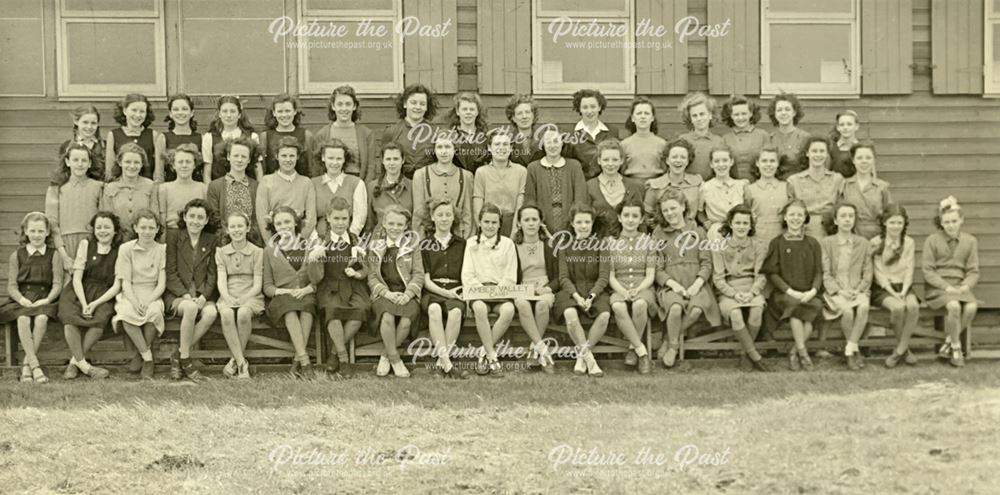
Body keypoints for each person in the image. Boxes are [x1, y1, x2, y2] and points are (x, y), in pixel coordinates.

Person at [651, 188, 722, 369]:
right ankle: (674, 345)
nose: (670, 213)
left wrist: (696, 284)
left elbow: (706, 263)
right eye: (666, 210)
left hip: (696, 282)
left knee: (697, 309)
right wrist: (673, 285)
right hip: (671, 283)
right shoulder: (658, 233)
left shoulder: (698, 231)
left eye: (673, 208)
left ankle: (669, 340)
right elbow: (657, 268)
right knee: (674, 308)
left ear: (683, 207)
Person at [308, 197, 370, 375]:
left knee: (361, 309)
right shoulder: (321, 241)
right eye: (336, 218)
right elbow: (314, 278)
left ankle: (334, 354)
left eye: (344, 219)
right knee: (332, 311)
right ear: (328, 218)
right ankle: (343, 359)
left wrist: (358, 271)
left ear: (349, 219)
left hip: (353, 285)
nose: (340, 223)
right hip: (330, 286)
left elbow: (367, 269)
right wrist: (315, 259)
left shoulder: (356, 240)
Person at [0, 212, 63, 383]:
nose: (37, 235)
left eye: (41, 231)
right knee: (23, 319)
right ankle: (35, 366)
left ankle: (28, 365)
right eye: (33, 231)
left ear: (48, 232)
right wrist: (21, 299)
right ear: (26, 232)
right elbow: (12, 286)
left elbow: (58, 284)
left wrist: (48, 300)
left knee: (42, 318)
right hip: (23, 297)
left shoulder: (54, 254)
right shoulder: (17, 255)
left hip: (45, 297)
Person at [58, 211, 122, 380]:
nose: (102, 231)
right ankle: (86, 367)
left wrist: (94, 304)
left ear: (115, 230)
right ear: (93, 230)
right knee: (70, 319)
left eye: (107, 227)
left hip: (104, 294)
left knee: (99, 321)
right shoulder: (86, 244)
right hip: (79, 290)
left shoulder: (121, 250)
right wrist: (85, 302)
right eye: (98, 227)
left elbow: (117, 285)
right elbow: (77, 278)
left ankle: (74, 363)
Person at [762, 200, 823, 371]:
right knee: (796, 309)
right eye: (792, 215)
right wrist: (790, 291)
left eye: (799, 215)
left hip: (808, 292)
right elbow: (772, 273)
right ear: (785, 218)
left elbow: (819, 271)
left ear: (805, 218)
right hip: (785, 294)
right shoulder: (777, 242)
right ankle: (803, 354)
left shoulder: (813, 243)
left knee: (812, 309)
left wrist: (813, 291)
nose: (795, 218)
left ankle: (795, 351)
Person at [553, 203, 612, 377]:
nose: (583, 226)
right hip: (571, 291)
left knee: (605, 315)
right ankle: (590, 361)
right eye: (579, 222)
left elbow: (603, 276)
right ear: (572, 223)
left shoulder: (601, 244)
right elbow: (563, 277)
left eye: (587, 222)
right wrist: (577, 297)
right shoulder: (564, 245)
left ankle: (581, 356)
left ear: (593, 222)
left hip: (595, 290)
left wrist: (593, 295)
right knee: (569, 313)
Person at [164, 199, 219, 381]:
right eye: (192, 216)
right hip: (178, 293)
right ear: (185, 217)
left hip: (202, 293)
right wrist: (186, 295)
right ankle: (186, 360)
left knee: (210, 313)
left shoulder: (211, 240)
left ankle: (178, 355)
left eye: (200, 217)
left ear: (206, 220)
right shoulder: (173, 236)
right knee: (190, 308)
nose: (195, 221)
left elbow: (213, 273)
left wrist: (204, 296)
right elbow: (170, 271)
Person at [923, 196, 979, 368]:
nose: (951, 225)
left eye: (954, 221)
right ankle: (956, 347)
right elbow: (928, 270)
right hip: (938, 288)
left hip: (960, 287)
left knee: (971, 307)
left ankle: (948, 341)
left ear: (961, 220)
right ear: (941, 222)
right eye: (946, 222)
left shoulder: (970, 241)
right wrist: (946, 287)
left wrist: (966, 286)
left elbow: (973, 271)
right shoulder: (932, 240)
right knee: (954, 306)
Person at [712, 205, 771, 371]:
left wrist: (752, 293)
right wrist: (734, 294)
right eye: (738, 223)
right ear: (730, 223)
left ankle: (746, 355)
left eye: (745, 223)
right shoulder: (719, 245)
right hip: (728, 289)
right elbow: (718, 278)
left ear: (751, 225)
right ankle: (755, 356)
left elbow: (761, 275)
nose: (741, 227)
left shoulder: (758, 245)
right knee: (736, 314)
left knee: (757, 310)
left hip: (751, 287)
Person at [462, 203, 518, 376]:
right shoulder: (471, 243)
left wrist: (497, 291)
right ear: (479, 222)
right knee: (479, 308)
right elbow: (467, 274)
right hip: (479, 292)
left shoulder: (508, 244)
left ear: (500, 224)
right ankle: (492, 357)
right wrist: (482, 291)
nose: (490, 226)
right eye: (486, 221)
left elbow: (510, 276)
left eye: (494, 222)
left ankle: (483, 353)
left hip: (501, 292)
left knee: (508, 310)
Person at [367, 206, 423, 378]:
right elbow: (372, 277)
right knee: (387, 317)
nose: (394, 227)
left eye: (399, 224)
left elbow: (418, 274)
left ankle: (385, 355)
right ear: (383, 223)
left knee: (406, 320)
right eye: (390, 223)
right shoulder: (375, 247)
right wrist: (387, 294)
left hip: (406, 292)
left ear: (406, 226)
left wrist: (408, 294)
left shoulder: (412, 246)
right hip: (385, 293)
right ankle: (395, 359)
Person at [111, 209, 166, 380]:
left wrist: (149, 300)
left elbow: (162, 283)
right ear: (135, 228)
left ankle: (139, 354)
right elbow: (125, 281)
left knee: (153, 313)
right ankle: (148, 358)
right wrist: (134, 301)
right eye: (143, 227)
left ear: (157, 229)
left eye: (151, 228)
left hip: (152, 292)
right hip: (131, 291)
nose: (147, 232)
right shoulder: (126, 249)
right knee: (126, 313)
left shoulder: (162, 249)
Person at [263, 206, 317, 378]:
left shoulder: (309, 246)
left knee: (307, 308)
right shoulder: (269, 251)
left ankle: (298, 359)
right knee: (290, 309)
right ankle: (305, 361)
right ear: (274, 227)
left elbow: (319, 278)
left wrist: (307, 289)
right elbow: (267, 286)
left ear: (295, 222)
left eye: (287, 221)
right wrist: (283, 291)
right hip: (281, 298)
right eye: (278, 223)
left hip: (306, 293)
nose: (283, 226)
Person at [820, 203, 873, 371]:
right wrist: (840, 291)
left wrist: (857, 290)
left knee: (863, 306)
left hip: (857, 289)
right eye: (843, 216)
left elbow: (868, 272)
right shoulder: (826, 243)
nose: (847, 220)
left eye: (851, 216)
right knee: (848, 311)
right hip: (836, 291)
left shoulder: (863, 243)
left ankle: (850, 348)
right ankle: (854, 350)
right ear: (835, 220)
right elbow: (825, 273)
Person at [420, 198, 469, 379]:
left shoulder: (463, 244)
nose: (444, 218)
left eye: (448, 215)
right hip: (433, 290)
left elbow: (467, 274)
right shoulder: (425, 244)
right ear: (433, 217)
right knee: (434, 309)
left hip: (456, 291)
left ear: (453, 218)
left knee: (456, 311)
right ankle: (448, 364)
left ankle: (442, 363)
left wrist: (457, 292)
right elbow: (426, 281)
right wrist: (444, 292)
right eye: (440, 215)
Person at [607, 198, 657, 374]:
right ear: (619, 218)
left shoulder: (648, 242)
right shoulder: (610, 243)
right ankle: (642, 352)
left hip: (642, 285)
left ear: (641, 219)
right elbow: (610, 276)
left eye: (635, 216)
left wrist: (639, 288)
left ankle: (631, 348)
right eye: (626, 215)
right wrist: (622, 291)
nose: (630, 219)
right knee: (618, 306)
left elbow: (650, 274)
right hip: (618, 285)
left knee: (640, 304)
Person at [215, 212, 265, 379]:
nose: (237, 230)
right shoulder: (221, 252)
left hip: (251, 293)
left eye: (240, 226)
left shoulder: (257, 252)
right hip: (229, 292)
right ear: (227, 230)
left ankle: (235, 361)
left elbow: (258, 284)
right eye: (233, 226)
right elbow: (221, 280)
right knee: (227, 313)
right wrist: (226, 296)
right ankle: (242, 363)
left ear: (248, 228)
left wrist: (245, 298)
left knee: (243, 313)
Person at [871, 204, 921, 368]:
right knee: (898, 308)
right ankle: (905, 351)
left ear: (904, 224)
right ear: (885, 222)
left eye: (899, 223)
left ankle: (899, 350)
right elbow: (878, 272)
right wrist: (893, 292)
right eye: (892, 222)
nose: (896, 227)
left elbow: (909, 268)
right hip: (884, 288)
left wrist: (905, 290)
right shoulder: (876, 242)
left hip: (904, 285)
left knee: (913, 306)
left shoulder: (908, 242)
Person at [45, 142, 104, 275]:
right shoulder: (56, 188)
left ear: (89, 163)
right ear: (67, 162)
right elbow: (52, 224)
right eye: (75, 160)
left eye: (84, 160)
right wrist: (64, 256)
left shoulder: (99, 187)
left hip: (92, 242)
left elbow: (103, 220)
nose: (80, 164)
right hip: (65, 245)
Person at [512, 205, 558, 374]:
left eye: (534, 219)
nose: (531, 224)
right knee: (522, 304)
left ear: (540, 222)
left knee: (542, 305)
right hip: (523, 288)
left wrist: (547, 288)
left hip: (544, 288)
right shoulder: (513, 247)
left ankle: (533, 350)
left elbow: (558, 277)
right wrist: (522, 289)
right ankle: (543, 350)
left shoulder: (549, 245)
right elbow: (511, 276)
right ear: (519, 223)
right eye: (526, 220)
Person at [524, 126, 588, 234]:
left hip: (570, 222)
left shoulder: (574, 166)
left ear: (562, 143)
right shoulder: (533, 168)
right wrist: (537, 222)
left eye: (556, 141)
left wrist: (576, 221)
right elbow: (530, 200)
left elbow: (580, 198)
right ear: (543, 145)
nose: (552, 145)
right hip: (543, 223)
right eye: (548, 142)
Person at [411, 134, 475, 238]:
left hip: (458, 236)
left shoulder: (466, 176)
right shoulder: (421, 175)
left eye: (448, 147)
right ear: (434, 150)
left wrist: (466, 241)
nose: (444, 151)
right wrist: (420, 242)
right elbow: (418, 213)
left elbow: (468, 214)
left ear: (455, 149)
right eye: (440, 147)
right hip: (429, 236)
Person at [255, 136, 317, 238]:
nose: (288, 160)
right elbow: (262, 218)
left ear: (297, 157)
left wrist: (299, 242)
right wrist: (271, 244)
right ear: (277, 156)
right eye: (284, 156)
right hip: (275, 237)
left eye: (292, 156)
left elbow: (311, 219)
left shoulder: (306, 183)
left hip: (299, 238)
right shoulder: (266, 182)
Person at [313, 85, 379, 181]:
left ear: (354, 106)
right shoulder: (322, 134)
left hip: (357, 184)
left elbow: (371, 167)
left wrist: (364, 189)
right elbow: (318, 168)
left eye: (348, 104)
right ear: (333, 106)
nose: (344, 109)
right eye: (340, 104)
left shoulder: (367, 134)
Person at [206, 137, 262, 246]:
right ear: (228, 157)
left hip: (252, 242)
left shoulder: (257, 186)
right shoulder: (215, 186)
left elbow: (258, 218)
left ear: (249, 159)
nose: (239, 160)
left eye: (244, 156)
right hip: (224, 242)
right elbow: (215, 219)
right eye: (236, 155)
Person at [473, 128, 527, 237]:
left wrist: (515, 230)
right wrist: (483, 229)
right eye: (497, 144)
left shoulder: (521, 171)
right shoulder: (481, 172)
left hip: (512, 222)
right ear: (489, 147)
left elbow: (520, 204)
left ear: (511, 148)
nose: (501, 148)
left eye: (505, 144)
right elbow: (478, 204)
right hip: (489, 223)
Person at [787, 136, 844, 239]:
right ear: (807, 153)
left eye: (822, 151)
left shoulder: (837, 179)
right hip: (803, 231)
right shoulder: (794, 181)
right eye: (814, 151)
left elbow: (841, 207)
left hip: (830, 231)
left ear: (827, 154)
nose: (818, 155)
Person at [101, 143, 159, 240]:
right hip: (117, 241)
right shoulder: (110, 188)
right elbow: (107, 219)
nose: (132, 166)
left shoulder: (150, 186)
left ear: (142, 164)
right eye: (127, 162)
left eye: (136, 162)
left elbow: (155, 215)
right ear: (120, 162)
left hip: (144, 239)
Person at [587, 139, 643, 238]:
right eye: (606, 160)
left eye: (615, 160)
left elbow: (641, 220)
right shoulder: (589, 186)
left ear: (621, 160)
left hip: (628, 244)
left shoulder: (634, 186)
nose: (610, 164)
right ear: (599, 160)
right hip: (598, 243)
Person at [313, 138, 367, 238]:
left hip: (347, 238)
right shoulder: (312, 184)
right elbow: (310, 217)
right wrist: (315, 240)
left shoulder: (356, 183)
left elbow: (359, 218)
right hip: (319, 239)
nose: (334, 162)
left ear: (344, 159)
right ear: (323, 158)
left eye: (338, 158)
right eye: (330, 158)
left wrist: (350, 238)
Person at [381, 84, 439, 178]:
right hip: (400, 185)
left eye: (422, 104)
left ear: (427, 107)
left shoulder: (435, 132)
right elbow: (384, 166)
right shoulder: (391, 132)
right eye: (413, 102)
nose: (418, 107)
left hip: (427, 183)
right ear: (405, 104)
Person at [644, 139, 702, 228]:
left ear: (687, 161)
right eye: (674, 157)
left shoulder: (697, 182)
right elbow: (647, 215)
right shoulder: (655, 185)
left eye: (683, 157)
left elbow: (701, 212)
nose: (678, 160)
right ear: (667, 160)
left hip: (690, 232)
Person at [837, 142, 891, 239]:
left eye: (868, 158)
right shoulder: (844, 185)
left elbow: (890, 215)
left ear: (874, 160)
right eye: (859, 158)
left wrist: (881, 238)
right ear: (853, 160)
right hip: (850, 235)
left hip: (876, 237)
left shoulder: (882, 187)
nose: (864, 161)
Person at [202, 95, 261, 182]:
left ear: (239, 114)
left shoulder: (252, 136)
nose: (228, 115)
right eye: (225, 111)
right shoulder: (209, 137)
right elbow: (207, 172)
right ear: (219, 114)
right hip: (220, 190)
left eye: (233, 111)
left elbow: (258, 170)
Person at [105, 93, 163, 181]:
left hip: (147, 187)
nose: (138, 115)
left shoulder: (153, 135)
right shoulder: (113, 135)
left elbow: (158, 170)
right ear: (125, 110)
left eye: (142, 111)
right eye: (134, 110)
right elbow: (110, 169)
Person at [564, 88, 619, 180]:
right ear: (579, 109)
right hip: (580, 183)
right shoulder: (570, 133)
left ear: (599, 107)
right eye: (585, 107)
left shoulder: (612, 131)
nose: (589, 111)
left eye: (593, 107)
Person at [699, 146, 749, 238]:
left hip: (739, 230)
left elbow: (748, 207)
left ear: (731, 162)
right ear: (711, 164)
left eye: (725, 160)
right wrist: (705, 222)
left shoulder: (741, 185)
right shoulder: (706, 187)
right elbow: (699, 211)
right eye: (717, 161)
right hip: (717, 233)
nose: (721, 165)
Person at [261, 93, 315, 177]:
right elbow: (263, 168)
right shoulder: (265, 136)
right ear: (274, 113)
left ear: (295, 111)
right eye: (280, 111)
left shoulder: (306, 135)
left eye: (287, 111)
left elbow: (311, 167)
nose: (284, 115)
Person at [157, 144, 208, 231]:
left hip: (197, 233)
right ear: (173, 165)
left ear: (194, 165)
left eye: (188, 162)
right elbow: (162, 219)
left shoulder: (203, 188)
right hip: (172, 234)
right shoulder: (164, 188)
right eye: (180, 162)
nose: (184, 165)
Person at [677, 92, 724, 181]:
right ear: (690, 118)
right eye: (694, 115)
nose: (699, 118)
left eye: (702, 114)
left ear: (710, 115)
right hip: (688, 186)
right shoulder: (683, 140)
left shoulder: (719, 141)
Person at [721, 95, 770, 181]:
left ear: (750, 113)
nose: (740, 118)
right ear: (731, 116)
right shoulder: (725, 139)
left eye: (744, 114)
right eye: (736, 114)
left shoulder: (763, 135)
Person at [366, 143, 413, 232]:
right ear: (382, 161)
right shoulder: (372, 187)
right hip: (379, 240)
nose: (392, 163)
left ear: (403, 160)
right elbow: (370, 221)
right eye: (388, 159)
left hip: (406, 239)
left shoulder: (412, 186)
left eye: (396, 159)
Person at [746, 146, 788, 243]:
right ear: (757, 163)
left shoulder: (786, 187)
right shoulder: (750, 189)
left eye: (772, 161)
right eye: (764, 161)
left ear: (778, 163)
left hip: (782, 239)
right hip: (758, 240)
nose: (768, 164)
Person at [156, 94, 202, 182]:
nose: (180, 113)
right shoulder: (163, 138)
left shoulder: (201, 138)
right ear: (170, 114)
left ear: (192, 113)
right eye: (176, 109)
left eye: (184, 109)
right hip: (170, 188)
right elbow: (159, 173)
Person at [620, 96, 667, 181]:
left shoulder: (662, 144)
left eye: (646, 113)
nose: (643, 116)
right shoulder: (624, 144)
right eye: (639, 113)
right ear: (633, 118)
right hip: (632, 185)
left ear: (652, 118)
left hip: (656, 185)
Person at [767, 93, 810, 180]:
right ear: (774, 114)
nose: (783, 113)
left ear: (794, 112)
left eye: (787, 109)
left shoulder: (805, 138)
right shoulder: (769, 139)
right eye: (779, 110)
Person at [445, 92, 490, 175]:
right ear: (458, 112)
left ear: (477, 112)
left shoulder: (485, 139)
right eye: (464, 109)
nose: (468, 112)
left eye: (472, 109)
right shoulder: (449, 137)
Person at [58, 105, 105, 175]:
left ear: (98, 124)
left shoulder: (104, 147)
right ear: (76, 121)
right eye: (85, 122)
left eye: (93, 123)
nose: (89, 127)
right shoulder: (67, 146)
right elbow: (62, 173)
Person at [505, 94, 544, 167]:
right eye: (519, 113)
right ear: (513, 118)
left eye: (527, 112)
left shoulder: (543, 138)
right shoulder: (507, 140)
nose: (524, 116)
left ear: (533, 115)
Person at [828, 110, 861, 178]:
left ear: (856, 126)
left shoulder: (862, 149)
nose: (845, 128)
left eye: (849, 124)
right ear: (838, 127)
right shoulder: (831, 148)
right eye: (842, 125)